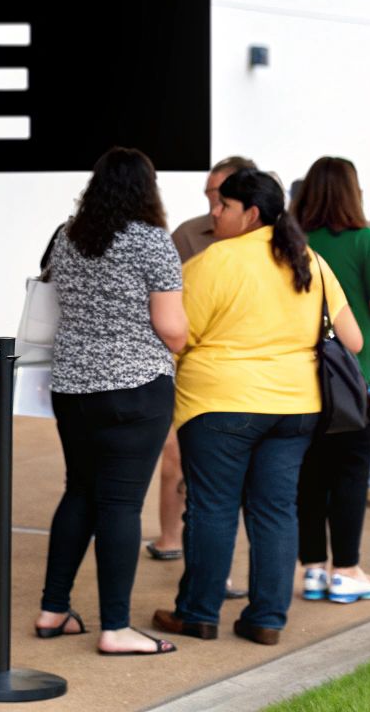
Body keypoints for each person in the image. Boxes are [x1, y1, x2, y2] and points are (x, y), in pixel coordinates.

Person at [153, 170, 361, 646]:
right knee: (275, 511)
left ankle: (198, 613)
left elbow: (180, 335)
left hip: (221, 405)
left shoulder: (214, 261)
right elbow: (352, 338)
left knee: (212, 508)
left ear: (250, 213)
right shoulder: (308, 259)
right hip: (296, 406)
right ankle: (267, 619)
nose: (214, 212)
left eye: (222, 206)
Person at [34, 147, 185, 656]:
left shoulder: (66, 237)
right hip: (135, 389)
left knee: (79, 491)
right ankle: (116, 627)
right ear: (147, 189)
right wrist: (184, 337)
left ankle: (53, 609)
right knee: (120, 504)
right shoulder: (152, 243)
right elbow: (172, 328)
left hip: (72, 387)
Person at [292, 157, 370, 605]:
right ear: (352, 193)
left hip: (305, 372)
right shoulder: (366, 241)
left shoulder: (295, 241)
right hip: (359, 372)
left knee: (311, 475)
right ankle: (347, 570)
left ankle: (312, 569)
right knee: (350, 473)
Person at [150, 156, 257, 602]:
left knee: (225, 483)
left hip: (245, 377)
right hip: (190, 368)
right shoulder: (188, 235)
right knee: (177, 457)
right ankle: (169, 538)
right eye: (209, 194)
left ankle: (215, 580)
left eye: (221, 196)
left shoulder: (271, 240)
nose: (212, 204)